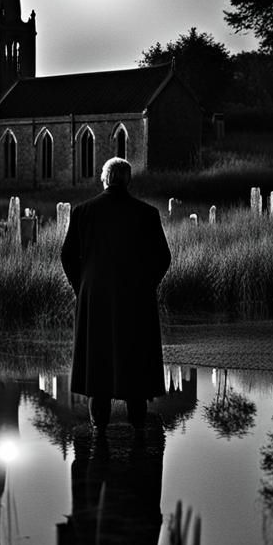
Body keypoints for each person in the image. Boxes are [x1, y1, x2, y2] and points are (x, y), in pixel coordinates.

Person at [60, 157, 171, 432]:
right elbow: (163, 258)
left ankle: (99, 437)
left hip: (94, 299)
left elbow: (67, 256)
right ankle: (138, 437)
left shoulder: (83, 212)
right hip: (136, 300)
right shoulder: (147, 213)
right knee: (135, 368)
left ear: (105, 179)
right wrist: (147, 285)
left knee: (97, 370)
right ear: (128, 180)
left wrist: (82, 286)